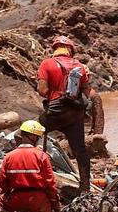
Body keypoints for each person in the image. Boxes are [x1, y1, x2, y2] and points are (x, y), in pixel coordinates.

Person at [37, 35, 92, 193]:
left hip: (55, 112)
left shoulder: (47, 63)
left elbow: (42, 90)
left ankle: (33, 172)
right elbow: (87, 92)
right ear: (70, 50)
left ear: (55, 49)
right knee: (80, 150)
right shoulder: (80, 66)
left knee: (25, 134)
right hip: (75, 113)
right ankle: (85, 188)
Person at [0, 120, 60, 212]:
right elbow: (50, 182)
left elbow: (2, 181)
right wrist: (54, 202)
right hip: (38, 200)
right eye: (37, 137)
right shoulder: (41, 156)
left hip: (16, 199)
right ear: (32, 136)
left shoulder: (9, 157)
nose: (38, 140)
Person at [83, 64, 105, 135]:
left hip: (88, 133)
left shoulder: (93, 95)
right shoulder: (72, 94)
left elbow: (99, 119)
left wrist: (97, 136)